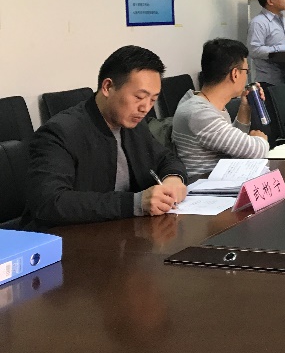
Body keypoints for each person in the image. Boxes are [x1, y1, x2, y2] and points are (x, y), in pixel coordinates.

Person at [23, 46, 188, 230]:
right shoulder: (59, 132)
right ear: (107, 87)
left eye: (153, 99)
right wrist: (134, 203)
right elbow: (49, 202)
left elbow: (166, 158)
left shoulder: (134, 125)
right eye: (139, 97)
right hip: (70, 238)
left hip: (125, 232)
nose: (145, 108)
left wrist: (173, 179)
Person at [172, 39, 269, 177]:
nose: (246, 77)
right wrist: (260, 139)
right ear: (235, 74)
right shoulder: (199, 113)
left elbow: (231, 144)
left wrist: (245, 107)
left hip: (223, 178)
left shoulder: (205, 103)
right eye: (246, 71)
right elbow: (256, 151)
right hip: (206, 184)